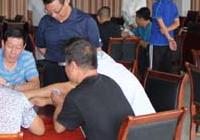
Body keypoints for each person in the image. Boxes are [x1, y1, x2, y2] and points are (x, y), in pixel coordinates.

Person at [25, 42, 154, 117]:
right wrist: (47, 100)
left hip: (135, 125)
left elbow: (67, 87)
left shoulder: (94, 70)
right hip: (148, 121)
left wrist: (27, 95)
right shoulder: (99, 58)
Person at [35, 0, 101, 85]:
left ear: (66, 2)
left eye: (57, 11)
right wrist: (56, 59)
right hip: (53, 69)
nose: (53, 15)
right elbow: (41, 47)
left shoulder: (86, 21)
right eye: (48, 11)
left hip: (78, 71)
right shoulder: (45, 22)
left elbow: (96, 49)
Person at [148, 0, 180, 73]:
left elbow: (160, 23)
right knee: (166, 71)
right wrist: (168, 32)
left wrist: (169, 38)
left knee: (154, 71)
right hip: (168, 44)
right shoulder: (173, 4)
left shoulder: (156, 5)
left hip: (157, 42)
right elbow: (177, 23)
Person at [131, 7, 152, 78]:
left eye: (136, 18)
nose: (135, 21)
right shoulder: (140, 27)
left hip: (149, 52)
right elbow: (133, 34)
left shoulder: (151, 27)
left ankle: (143, 76)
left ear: (141, 19)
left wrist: (136, 39)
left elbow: (147, 45)